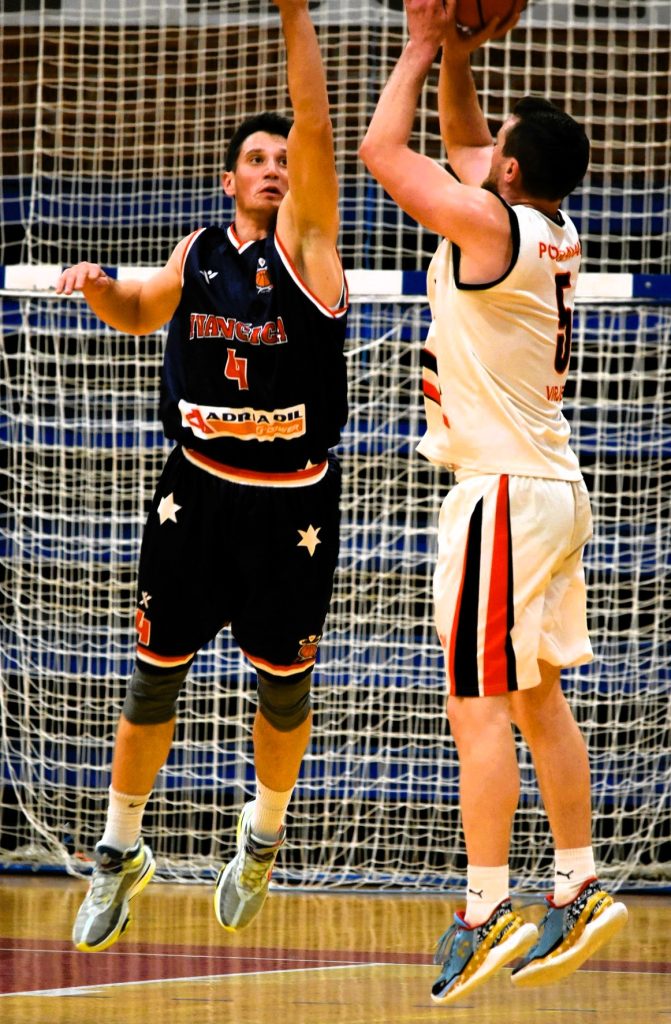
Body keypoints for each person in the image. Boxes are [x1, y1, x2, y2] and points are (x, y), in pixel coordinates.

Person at [56, 0, 348, 951]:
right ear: (229, 180)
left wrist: (293, 13)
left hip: (290, 503)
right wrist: (101, 287)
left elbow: (314, 124)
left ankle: (261, 837)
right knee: (153, 680)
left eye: (283, 159)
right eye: (255, 159)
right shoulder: (197, 251)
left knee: (283, 693)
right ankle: (118, 851)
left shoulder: (309, 250)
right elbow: (143, 310)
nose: (273, 168)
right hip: (196, 491)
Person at [359, 0, 627, 1007]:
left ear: (509, 173)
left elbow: (385, 153)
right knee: (535, 698)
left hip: (502, 497)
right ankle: (576, 881)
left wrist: (420, 44)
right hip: (553, 488)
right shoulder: (547, 225)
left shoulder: (487, 224)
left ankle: (482, 907)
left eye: (495, 153)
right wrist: (460, 59)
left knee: (474, 706)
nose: (479, 155)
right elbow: (466, 145)